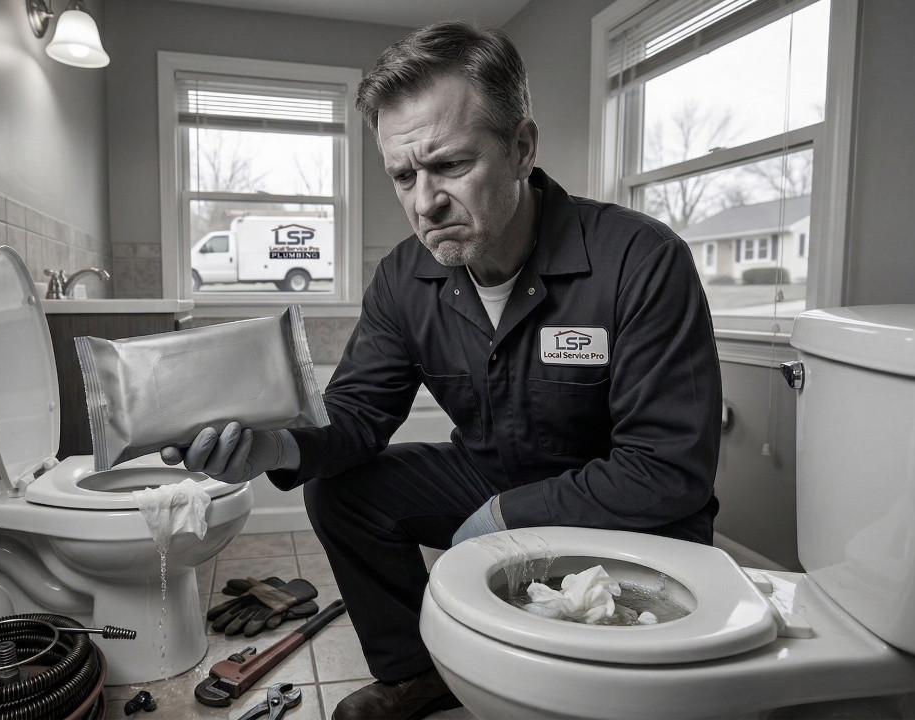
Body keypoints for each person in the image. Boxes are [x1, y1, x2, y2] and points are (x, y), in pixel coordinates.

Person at [165, 20, 722, 720]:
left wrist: (505, 516)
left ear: (521, 147)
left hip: (630, 512)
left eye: (451, 166)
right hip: (492, 473)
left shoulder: (639, 260)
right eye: (404, 174)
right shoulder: (405, 276)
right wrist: (274, 445)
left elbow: (669, 468)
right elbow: (360, 413)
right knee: (343, 492)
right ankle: (413, 674)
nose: (424, 202)